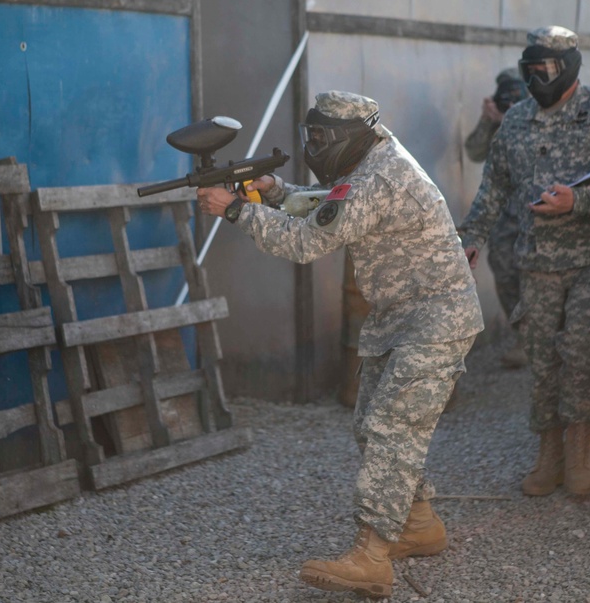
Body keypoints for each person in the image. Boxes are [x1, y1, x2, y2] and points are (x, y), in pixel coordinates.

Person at [197, 91, 483, 598]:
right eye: (312, 136)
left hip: (437, 319)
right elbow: (330, 204)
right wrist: (275, 189)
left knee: (392, 428)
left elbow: (308, 240)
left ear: (351, 137)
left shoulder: (378, 177)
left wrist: (237, 211)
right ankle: (418, 524)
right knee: (373, 426)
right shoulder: (372, 157)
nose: (314, 146)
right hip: (403, 316)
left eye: (321, 139)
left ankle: (372, 556)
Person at [459, 26, 590, 498]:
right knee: (543, 361)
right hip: (537, 261)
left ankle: (580, 454)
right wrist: (472, 236)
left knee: (582, 355)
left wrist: (576, 202)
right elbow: (495, 185)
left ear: (570, 67)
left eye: (548, 70)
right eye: (532, 70)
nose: (539, 78)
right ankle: (549, 456)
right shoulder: (516, 121)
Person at [464, 68, 531, 368]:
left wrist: (510, 121)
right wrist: (489, 120)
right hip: (504, 213)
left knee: (536, 275)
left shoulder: (538, 115)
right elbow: (475, 151)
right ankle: (524, 338)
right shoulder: (496, 115)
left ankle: (547, 339)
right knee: (504, 273)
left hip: (537, 210)